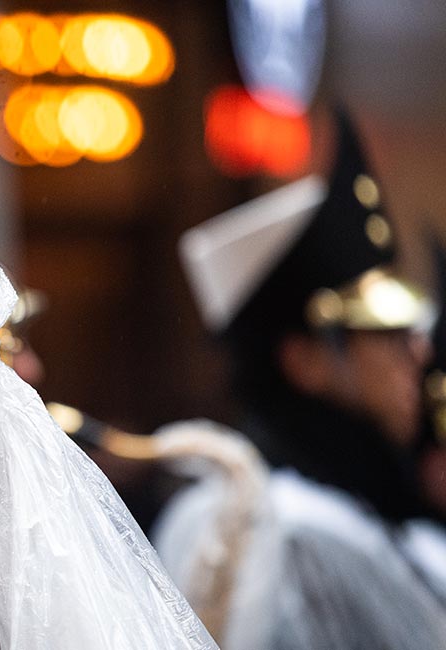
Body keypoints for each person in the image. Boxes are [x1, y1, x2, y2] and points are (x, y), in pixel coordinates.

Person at [155, 108, 446, 648]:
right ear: (305, 360)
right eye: (386, 336)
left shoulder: (358, 512)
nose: (419, 352)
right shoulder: (265, 529)